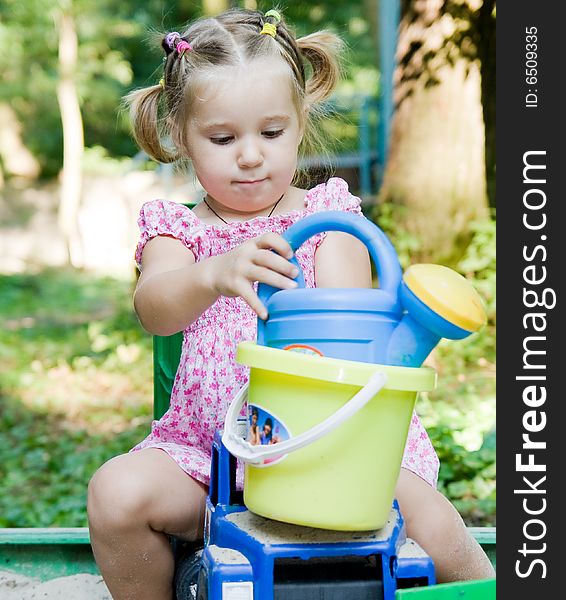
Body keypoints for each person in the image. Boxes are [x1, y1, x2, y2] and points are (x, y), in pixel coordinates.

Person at [87, 8, 494, 600]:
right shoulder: (181, 230)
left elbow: (353, 334)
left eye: (271, 134)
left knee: (426, 517)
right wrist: (214, 274)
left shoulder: (327, 219)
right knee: (116, 494)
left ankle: (485, 587)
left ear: (300, 125)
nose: (250, 155)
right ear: (180, 134)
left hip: (337, 449)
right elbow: (155, 307)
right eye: (223, 139)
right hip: (212, 458)